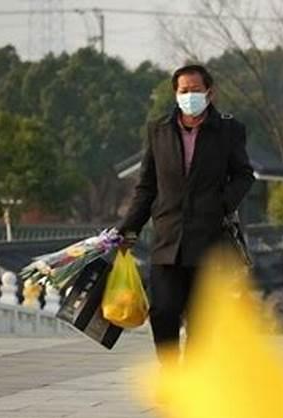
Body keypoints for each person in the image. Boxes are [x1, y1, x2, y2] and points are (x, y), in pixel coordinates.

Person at [118, 64, 255, 363]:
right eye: (184, 91)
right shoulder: (159, 131)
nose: (190, 96)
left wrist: (221, 204)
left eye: (195, 90)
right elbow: (147, 186)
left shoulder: (229, 130)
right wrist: (128, 229)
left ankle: (194, 380)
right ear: (175, 93)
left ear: (210, 92)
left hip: (208, 240)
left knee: (201, 318)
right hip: (167, 239)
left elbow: (245, 175)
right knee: (163, 310)